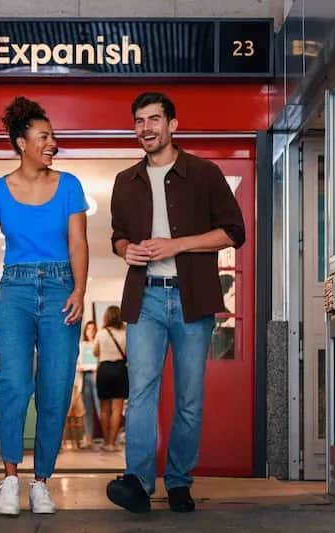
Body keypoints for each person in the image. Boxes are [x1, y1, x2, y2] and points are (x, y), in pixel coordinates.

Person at [105, 92, 245, 514]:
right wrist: (125, 248)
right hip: (144, 297)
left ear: (173, 125)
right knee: (142, 392)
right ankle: (139, 483)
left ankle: (180, 482)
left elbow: (233, 232)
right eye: (139, 122)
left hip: (191, 299)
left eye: (153, 120)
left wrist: (177, 245)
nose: (145, 128)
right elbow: (117, 236)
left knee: (188, 398)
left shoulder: (204, 173)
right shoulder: (124, 182)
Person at [0, 96, 88, 516]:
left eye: (52, 136)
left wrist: (79, 290)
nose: (52, 143)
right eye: (44, 137)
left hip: (60, 289)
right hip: (13, 291)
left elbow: (78, 242)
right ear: (21, 142)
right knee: (14, 384)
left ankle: (42, 482)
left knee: (54, 389)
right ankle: (10, 478)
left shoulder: (69, 185)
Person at [94, 306, 127, 452]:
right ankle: (112, 443)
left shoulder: (101, 333)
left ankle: (106, 441)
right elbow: (128, 352)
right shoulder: (125, 333)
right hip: (120, 369)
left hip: (104, 370)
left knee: (104, 409)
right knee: (117, 409)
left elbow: (95, 352)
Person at [77, 320, 100, 449]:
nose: (90, 331)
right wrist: (79, 366)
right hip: (85, 377)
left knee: (100, 408)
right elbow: (78, 362)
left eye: (93, 329)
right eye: (88, 329)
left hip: (96, 377)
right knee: (88, 409)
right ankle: (89, 438)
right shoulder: (82, 345)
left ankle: (109, 439)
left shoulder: (99, 343)